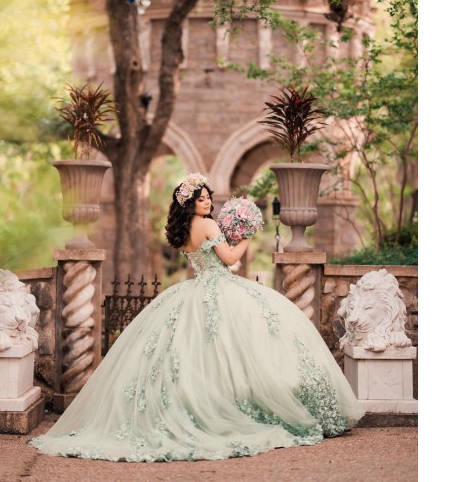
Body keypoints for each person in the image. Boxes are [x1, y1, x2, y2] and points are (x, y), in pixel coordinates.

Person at [29, 173, 364, 462]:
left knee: (198, 355)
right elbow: (230, 258)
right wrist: (246, 235)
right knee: (238, 348)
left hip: (192, 289)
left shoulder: (185, 229)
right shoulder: (206, 224)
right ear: (190, 203)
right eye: (201, 198)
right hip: (221, 287)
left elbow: (208, 257)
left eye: (208, 198)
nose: (207, 202)